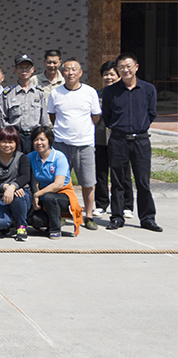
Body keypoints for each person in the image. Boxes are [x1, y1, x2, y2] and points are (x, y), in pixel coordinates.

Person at [102, 53, 162, 232]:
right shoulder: (110, 91)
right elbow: (107, 116)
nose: (125, 70)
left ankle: (147, 218)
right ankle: (117, 217)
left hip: (141, 141)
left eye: (128, 66)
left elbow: (152, 113)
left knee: (143, 182)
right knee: (118, 181)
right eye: (121, 67)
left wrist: (139, 127)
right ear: (117, 69)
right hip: (118, 140)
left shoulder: (148, 89)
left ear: (136, 67)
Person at [47, 58, 100, 230]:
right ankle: (61, 213)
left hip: (85, 144)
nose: (70, 73)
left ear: (80, 73)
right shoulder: (55, 93)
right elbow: (53, 116)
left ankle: (89, 215)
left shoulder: (90, 92)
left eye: (74, 69)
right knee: (60, 182)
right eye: (67, 70)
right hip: (61, 144)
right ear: (62, 73)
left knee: (88, 182)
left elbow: (95, 116)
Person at [28, 126, 82, 239]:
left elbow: (58, 184)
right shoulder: (32, 157)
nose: (39, 143)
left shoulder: (59, 157)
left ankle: (55, 229)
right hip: (44, 196)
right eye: (36, 140)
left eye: (42, 139)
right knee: (33, 219)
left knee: (50, 197)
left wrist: (37, 194)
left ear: (49, 140)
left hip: (63, 195)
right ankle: (51, 222)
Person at [95, 61, 131, 217]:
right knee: (101, 173)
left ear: (119, 75)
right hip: (100, 138)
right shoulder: (97, 94)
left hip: (120, 138)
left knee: (123, 173)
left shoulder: (125, 93)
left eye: (112, 74)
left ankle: (127, 205)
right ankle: (101, 204)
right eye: (105, 74)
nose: (108, 77)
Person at [0, 126, 32, 241]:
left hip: (21, 195)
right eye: (3, 142)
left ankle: (21, 226)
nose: (7, 145)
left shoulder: (22, 157)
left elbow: (25, 177)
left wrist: (13, 187)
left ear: (16, 143)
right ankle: (6, 225)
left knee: (18, 195)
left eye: (11, 142)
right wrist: (7, 187)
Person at [0, 54, 49, 155]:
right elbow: (1, 118)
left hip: (35, 136)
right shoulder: (8, 93)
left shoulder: (39, 92)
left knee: (34, 163)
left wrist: (45, 137)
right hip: (15, 136)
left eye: (27, 67)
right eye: (21, 67)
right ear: (15, 70)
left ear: (32, 69)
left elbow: (44, 119)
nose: (24, 70)